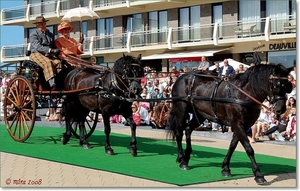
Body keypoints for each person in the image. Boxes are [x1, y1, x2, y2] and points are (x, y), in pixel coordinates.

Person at [29, 15, 61, 89]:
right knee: (48, 63)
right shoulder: (33, 34)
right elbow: (38, 47)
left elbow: (53, 46)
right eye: (41, 24)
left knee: (58, 63)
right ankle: (52, 85)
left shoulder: (50, 35)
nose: (44, 25)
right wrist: (50, 50)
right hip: (36, 53)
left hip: (48, 55)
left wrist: (56, 51)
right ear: (38, 25)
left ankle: (58, 82)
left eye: (44, 23)